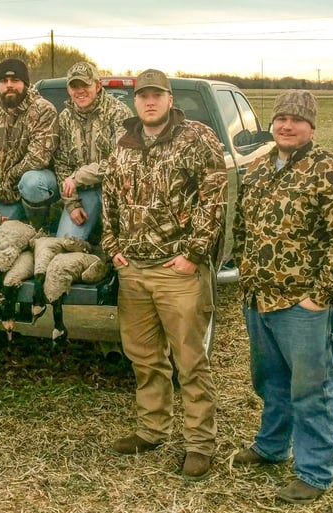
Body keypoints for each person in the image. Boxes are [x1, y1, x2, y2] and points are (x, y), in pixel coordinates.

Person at [232, 90, 333, 504]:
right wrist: (247, 276)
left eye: (297, 119)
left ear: (312, 126)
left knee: (311, 390)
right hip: (260, 298)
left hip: (303, 305)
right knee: (270, 381)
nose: (287, 125)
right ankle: (272, 446)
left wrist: (320, 297)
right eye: (281, 118)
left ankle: (315, 471)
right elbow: (241, 228)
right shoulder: (257, 169)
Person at [101, 69, 226, 481]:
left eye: (157, 95)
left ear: (170, 99)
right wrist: (113, 248)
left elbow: (214, 197)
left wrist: (193, 254)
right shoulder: (123, 142)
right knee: (144, 358)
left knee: (190, 359)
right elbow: (111, 199)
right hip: (133, 271)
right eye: (143, 96)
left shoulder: (196, 138)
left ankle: (199, 444)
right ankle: (152, 429)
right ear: (134, 102)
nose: (149, 102)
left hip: (178, 271)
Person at [54, 61, 132, 241]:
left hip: (117, 192)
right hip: (83, 193)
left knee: (126, 252)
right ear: (68, 90)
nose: (80, 90)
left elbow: (118, 161)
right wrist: (72, 204)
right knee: (65, 244)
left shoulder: (118, 113)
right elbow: (62, 163)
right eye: (75, 86)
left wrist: (79, 176)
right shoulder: (65, 118)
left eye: (85, 85)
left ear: (97, 86)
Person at [0, 58, 59, 230]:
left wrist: (7, 179)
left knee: (31, 182)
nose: (9, 85)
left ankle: (41, 227)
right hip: (6, 190)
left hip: (39, 183)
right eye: (4, 81)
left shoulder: (43, 110)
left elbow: (38, 158)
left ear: (26, 83)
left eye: (15, 80)